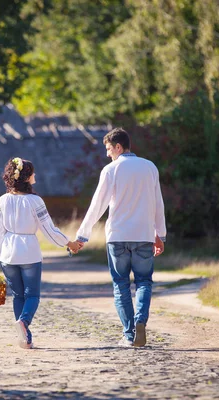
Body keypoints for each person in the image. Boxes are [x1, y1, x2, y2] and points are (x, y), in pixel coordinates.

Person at [75, 128, 166, 348]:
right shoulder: (150, 167)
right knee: (144, 282)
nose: (107, 154)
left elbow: (98, 205)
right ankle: (141, 321)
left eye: (109, 149)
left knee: (121, 285)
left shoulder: (111, 170)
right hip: (144, 235)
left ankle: (129, 334)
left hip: (117, 236)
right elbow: (158, 203)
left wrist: (83, 234)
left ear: (118, 146)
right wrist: (159, 234)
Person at [0, 157, 82, 349]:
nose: (35, 176)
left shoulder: (3, 200)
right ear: (27, 177)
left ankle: (25, 338)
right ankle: (24, 322)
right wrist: (69, 243)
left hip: (7, 254)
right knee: (32, 296)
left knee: (18, 296)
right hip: (29, 251)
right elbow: (49, 230)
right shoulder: (35, 201)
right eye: (33, 173)